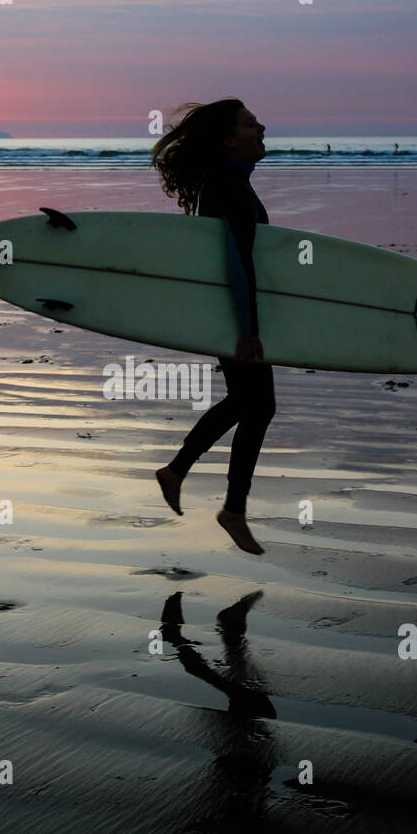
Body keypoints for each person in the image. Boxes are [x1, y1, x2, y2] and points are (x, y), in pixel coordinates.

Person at [149, 99, 273, 554]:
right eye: (248, 123)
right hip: (232, 315)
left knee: (253, 404)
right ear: (228, 139)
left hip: (228, 313)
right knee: (256, 405)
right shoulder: (229, 187)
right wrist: (246, 329)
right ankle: (229, 507)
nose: (261, 126)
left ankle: (182, 474)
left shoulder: (225, 183)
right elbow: (236, 263)